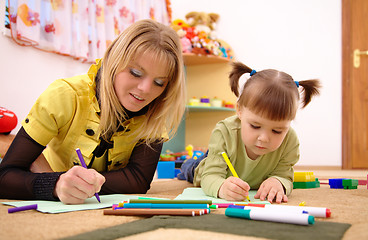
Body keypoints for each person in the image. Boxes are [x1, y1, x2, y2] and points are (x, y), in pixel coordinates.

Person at [0, 19, 186, 204]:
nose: (145, 89)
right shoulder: (65, 96)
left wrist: (77, 185)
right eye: (136, 73)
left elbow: (138, 180)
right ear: (113, 61)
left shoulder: (155, 115)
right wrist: (55, 184)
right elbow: (5, 177)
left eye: (159, 82)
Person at [178, 61, 321, 203]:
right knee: (190, 168)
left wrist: (278, 182)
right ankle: (187, 163)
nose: (264, 138)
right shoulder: (224, 132)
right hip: (208, 167)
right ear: (239, 110)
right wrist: (221, 187)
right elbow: (210, 176)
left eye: (277, 131)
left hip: (243, 172)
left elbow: (285, 176)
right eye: (255, 126)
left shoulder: (290, 140)